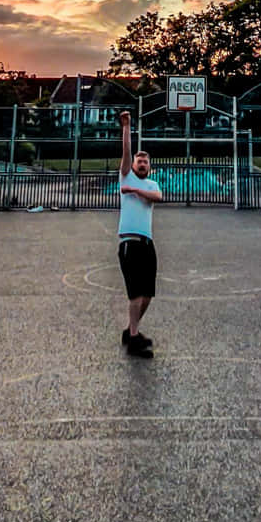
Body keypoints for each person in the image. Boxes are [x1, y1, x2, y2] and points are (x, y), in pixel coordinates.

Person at [117, 111, 163, 356]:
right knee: (136, 294)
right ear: (133, 166)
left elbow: (158, 197)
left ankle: (130, 331)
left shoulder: (151, 185)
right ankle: (133, 339)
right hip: (130, 243)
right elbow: (125, 154)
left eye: (145, 161)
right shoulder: (125, 175)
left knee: (147, 295)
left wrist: (134, 189)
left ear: (150, 167)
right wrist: (127, 127)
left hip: (148, 244)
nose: (141, 163)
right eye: (138, 161)